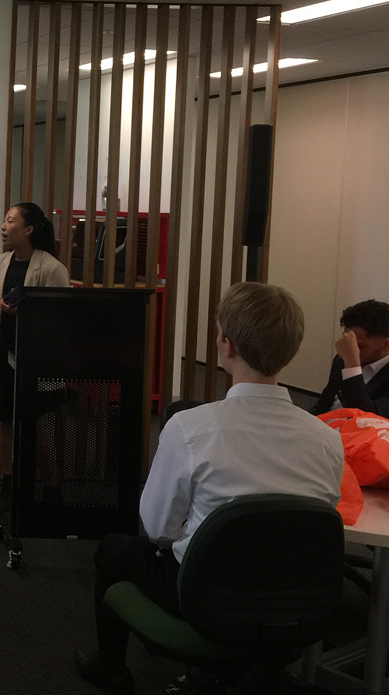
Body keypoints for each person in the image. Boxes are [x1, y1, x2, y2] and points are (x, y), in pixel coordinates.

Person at [74, 283, 344, 694]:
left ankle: (110, 668)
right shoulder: (326, 439)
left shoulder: (190, 429)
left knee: (114, 549)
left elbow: (158, 528)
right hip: (294, 609)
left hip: (203, 599)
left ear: (226, 344)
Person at [0, 202, 70, 512]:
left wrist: (23, 313)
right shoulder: (0, 262)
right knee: (5, 421)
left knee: (42, 425)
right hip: (5, 353)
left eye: (10, 221)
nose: (3, 227)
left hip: (36, 358)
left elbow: (61, 318)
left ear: (28, 229)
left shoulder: (52, 268)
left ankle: (52, 489)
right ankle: (9, 484)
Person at [309, 299, 389, 427]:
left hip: (366, 439)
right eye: (348, 341)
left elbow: (368, 421)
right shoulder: (342, 359)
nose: (350, 349)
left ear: (386, 345)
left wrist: (352, 367)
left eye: (359, 345)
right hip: (326, 429)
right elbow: (326, 401)